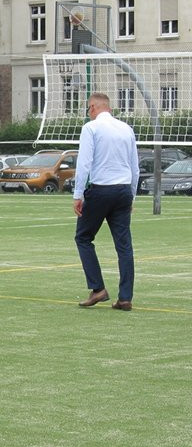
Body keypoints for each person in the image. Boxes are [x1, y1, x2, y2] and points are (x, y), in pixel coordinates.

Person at [73, 92, 139, 311]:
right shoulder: (126, 129)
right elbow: (134, 168)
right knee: (124, 246)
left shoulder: (90, 128)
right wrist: (132, 196)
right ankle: (125, 297)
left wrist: (78, 195)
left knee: (83, 237)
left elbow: (84, 164)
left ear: (92, 108)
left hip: (101, 190)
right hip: (123, 191)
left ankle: (98, 288)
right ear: (108, 108)